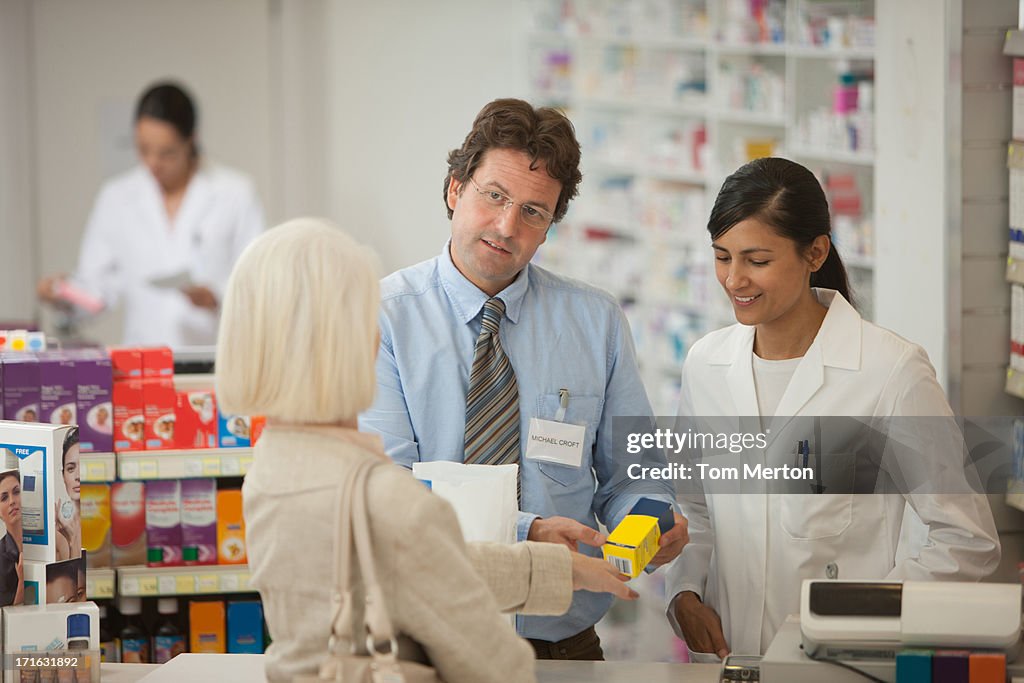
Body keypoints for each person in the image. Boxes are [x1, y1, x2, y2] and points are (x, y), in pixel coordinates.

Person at [218, 218, 638, 683]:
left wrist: (557, 570)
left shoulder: (274, 467)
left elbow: (411, 568)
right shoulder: (387, 500)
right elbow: (494, 663)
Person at [359, 98, 689, 660]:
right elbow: (391, 492)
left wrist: (650, 520)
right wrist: (524, 534)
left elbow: (632, 474)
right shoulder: (381, 316)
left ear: (550, 227)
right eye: (494, 196)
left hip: (563, 643)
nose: (508, 226)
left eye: (534, 212)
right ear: (454, 190)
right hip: (427, 639)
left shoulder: (595, 322)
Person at [665, 157, 1000, 658]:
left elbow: (965, 538)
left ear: (815, 252)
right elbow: (695, 508)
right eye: (721, 256)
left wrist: (858, 621)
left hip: (841, 664)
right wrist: (685, 593)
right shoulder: (705, 365)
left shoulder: (890, 371)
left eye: (757, 261)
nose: (734, 280)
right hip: (730, 661)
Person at [37, 81, 264, 346]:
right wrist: (64, 295)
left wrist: (217, 296)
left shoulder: (235, 192)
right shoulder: (117, 197)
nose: (153, 163)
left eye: (166, 153)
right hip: (142, 356)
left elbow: (258, 279)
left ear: (191, 140)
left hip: (215, 355)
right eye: (143, 149)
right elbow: (98, 290)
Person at [56, 427, 82, 561]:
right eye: (71, 469)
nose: (77, 476)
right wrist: (71, 543)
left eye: (84, 467)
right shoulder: (60, 534)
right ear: (63, 476)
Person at [0, 469, 24, 606]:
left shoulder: (47, 543)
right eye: (4, 498)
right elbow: (5, 620)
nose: (12, 501)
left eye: (16, 492)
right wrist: (22, 581)